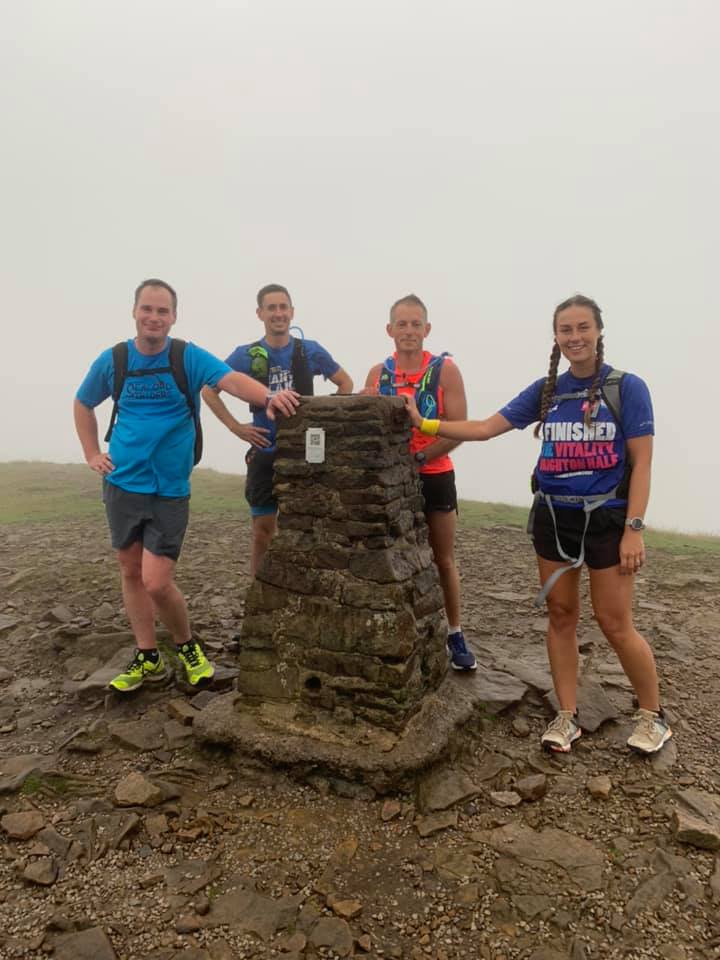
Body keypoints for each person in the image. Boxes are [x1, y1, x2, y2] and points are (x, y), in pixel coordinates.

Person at [405, 293, 671, 755]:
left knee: (614, 622)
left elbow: (642, 462)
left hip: (607, 519)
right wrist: (425, 424)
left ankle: (653, 716)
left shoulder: (627, 387)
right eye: (566, 330)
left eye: (583, 327)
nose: (575, 337)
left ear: (598, 332)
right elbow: (487, 427)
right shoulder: (548, 390)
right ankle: (566, 716)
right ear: (556, 337)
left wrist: (635, 528)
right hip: (553, 516)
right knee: (561, 615)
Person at [74, 279, 299, 694]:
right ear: (135, 312)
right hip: (123, 482)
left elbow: (230, 380)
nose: (154, 317)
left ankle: (186, 644)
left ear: (173, 317)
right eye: (147, 309)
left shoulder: (186, 356)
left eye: (162, 311)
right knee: (130, 570)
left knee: (157, 580)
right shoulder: (115, 360)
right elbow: (83, 402)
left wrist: (267, 396)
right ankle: (146, 655)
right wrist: (92, 453)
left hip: (170, 486)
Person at [202, 284, 352, 575]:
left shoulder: (310, 351)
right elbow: (209, 391)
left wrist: (324, 421)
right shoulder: (245, 355)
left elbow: (345, 384)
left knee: (309, 527)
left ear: (292, 312)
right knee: (263, 530)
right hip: (265, 450)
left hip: (306, 452)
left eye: (283, 307)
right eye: (271, 308)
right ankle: (258, 592)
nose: (278, 313)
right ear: (260, 313)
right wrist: (236, 428)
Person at [363, 294, 475, 672]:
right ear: (389, 329)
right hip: (388, 479)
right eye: (402, 324)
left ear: (426, 330)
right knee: (388, 554)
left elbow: (458, 428)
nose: (408, 331)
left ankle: (455, 632)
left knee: (442, 557)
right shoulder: (378, 373)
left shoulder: (445, 371)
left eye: (415, 324)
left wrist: (422, 457)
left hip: (434, 472)